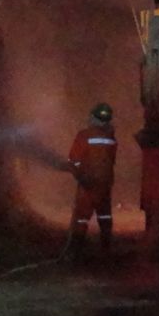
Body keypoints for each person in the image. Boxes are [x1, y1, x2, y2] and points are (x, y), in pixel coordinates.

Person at [66, 103, 118, 257]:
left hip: (87, 182)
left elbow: (73, 159)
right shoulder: (111, 138)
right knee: (105, 215)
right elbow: (111, 160)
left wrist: (78, 173)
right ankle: (106, 248)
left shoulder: (84, 135)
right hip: (104, 183)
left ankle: (76, 250)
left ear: (93, 117)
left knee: (81, 217)